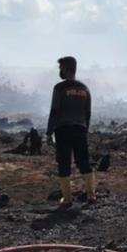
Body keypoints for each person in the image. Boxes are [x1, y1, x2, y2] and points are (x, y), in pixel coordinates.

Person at [46, 56, 94, 207]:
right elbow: (88, 113)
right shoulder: (84, 88)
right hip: (80, 129)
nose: (59, 71)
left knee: (64, 162)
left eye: (61, 68)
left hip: (63, 129)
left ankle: (67, 199)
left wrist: (49, 132)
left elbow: (54, 110)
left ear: (66, 69)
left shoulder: (59, 88)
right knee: (83, 161)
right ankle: (91, 195)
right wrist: (85, 129)